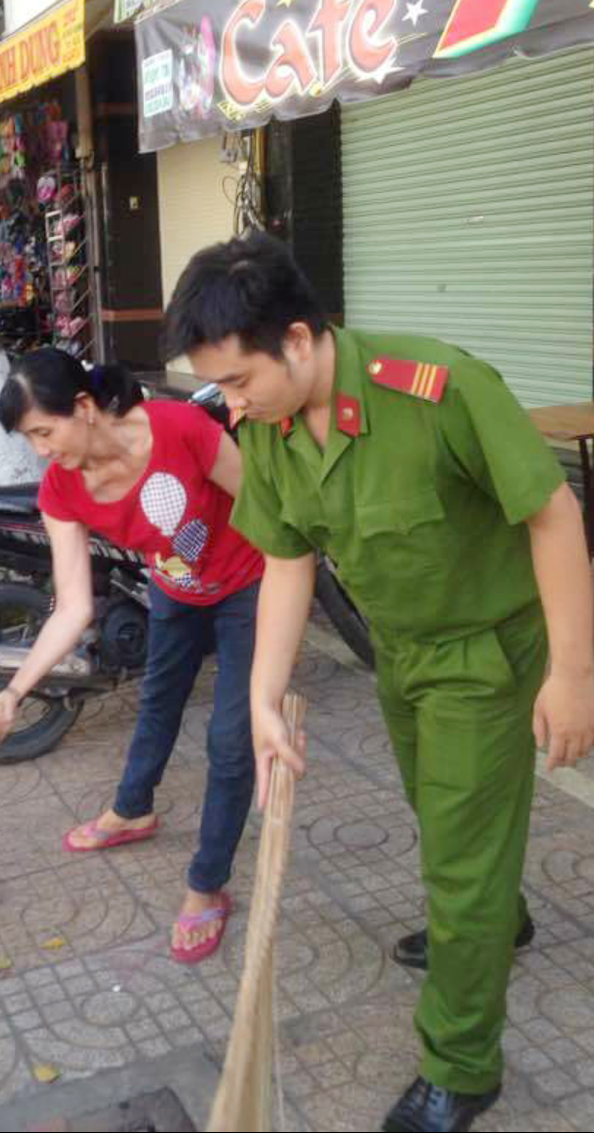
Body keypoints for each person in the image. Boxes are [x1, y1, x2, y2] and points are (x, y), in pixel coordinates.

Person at [162, 230, 594, 1133]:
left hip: (486, 652)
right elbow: (285, 560)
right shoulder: (273, 427)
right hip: (401, 651)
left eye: (238, 380)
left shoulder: (435, 387)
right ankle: (496, 918)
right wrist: (261, 699)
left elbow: (553, 514)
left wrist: (572, 674)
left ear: (296, 339)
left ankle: (462, 1062)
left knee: (458, 858)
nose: (229, 404)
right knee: (442, 814)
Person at [0, 348, 265, 963]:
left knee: (231, 740)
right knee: (158, 698)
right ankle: (132, 810)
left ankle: (206, 884)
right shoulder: (61, 489)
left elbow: (268, 508)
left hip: (249, 587)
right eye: (31, 440)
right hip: (175, 589)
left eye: (45, 432)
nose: (42, 450)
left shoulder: (181, 428)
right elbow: (72, 608)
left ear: (83, 406)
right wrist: (11, 694)